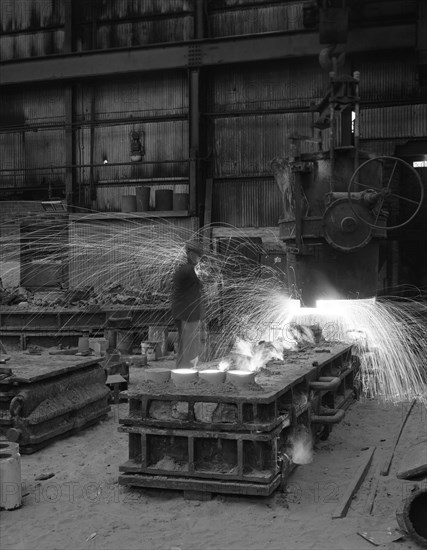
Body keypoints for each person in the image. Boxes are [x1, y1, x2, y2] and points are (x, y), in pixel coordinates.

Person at [171, 242, 204, 368]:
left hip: (185, 312)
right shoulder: (189, 269)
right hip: (187, 314)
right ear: (191, 255)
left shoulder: (184, 268)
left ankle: (183, 370)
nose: (199, 259)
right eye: (198, 256)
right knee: (189, 346)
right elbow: (203, 280)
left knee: (186, 344)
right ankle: (184, 373)